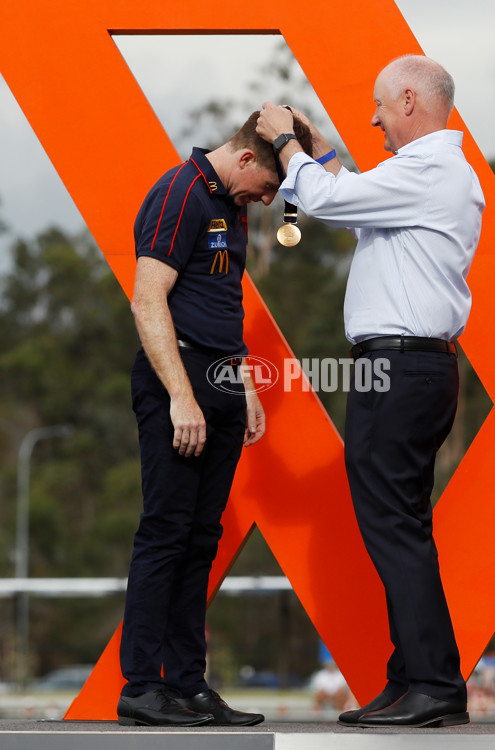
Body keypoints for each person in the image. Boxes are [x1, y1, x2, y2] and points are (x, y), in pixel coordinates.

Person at [257, 54, 485, 728]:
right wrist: (319, 150)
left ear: (410, 100)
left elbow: (328, 202)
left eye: (382, 105)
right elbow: (358, 208)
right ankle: (414, 676)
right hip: (407, 369)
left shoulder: (429, 171)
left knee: (393, 526)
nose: (374, 119)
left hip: (400, 370)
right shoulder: (426, 176)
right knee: (399, 525)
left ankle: (433, 684)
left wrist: (284, 142)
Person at [117, 112, 312, 727]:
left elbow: (222, 298)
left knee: (202, 541)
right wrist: (181, 394)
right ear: (248, 160)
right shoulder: (179, 192)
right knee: (166, 531)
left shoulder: (233, 200)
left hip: (223, 384)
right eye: (269, 185)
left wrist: (247, 382)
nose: (270, 198)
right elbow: (148, 297)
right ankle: (142, 686)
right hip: (181, 384)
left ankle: (188, 684)